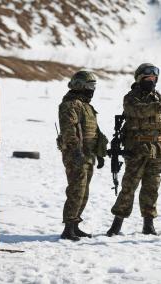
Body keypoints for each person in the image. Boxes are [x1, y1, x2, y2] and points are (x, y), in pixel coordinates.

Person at [107, 63, 161, 236]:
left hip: (158, 151)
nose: (151, 81)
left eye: (153, 78)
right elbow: (137, 111)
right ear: (139, 79)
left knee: (152, 189)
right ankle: (117, 224)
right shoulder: (131, 97)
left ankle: (148, 224)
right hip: (137, 149)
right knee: (129, 187)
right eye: (147, 78)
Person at [58, 70, 108, 241]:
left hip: (88, 154)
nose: (92, 89)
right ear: (79, 86)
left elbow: (94, 131)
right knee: (76, 190)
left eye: (94, 86)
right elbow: (69, 130)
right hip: (76, 154)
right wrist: (75, 151)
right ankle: (68, 228)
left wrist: (100, 152)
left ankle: (76, 225)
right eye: (89, 86)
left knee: (84, 191)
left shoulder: (86, 106)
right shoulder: (70, 105)